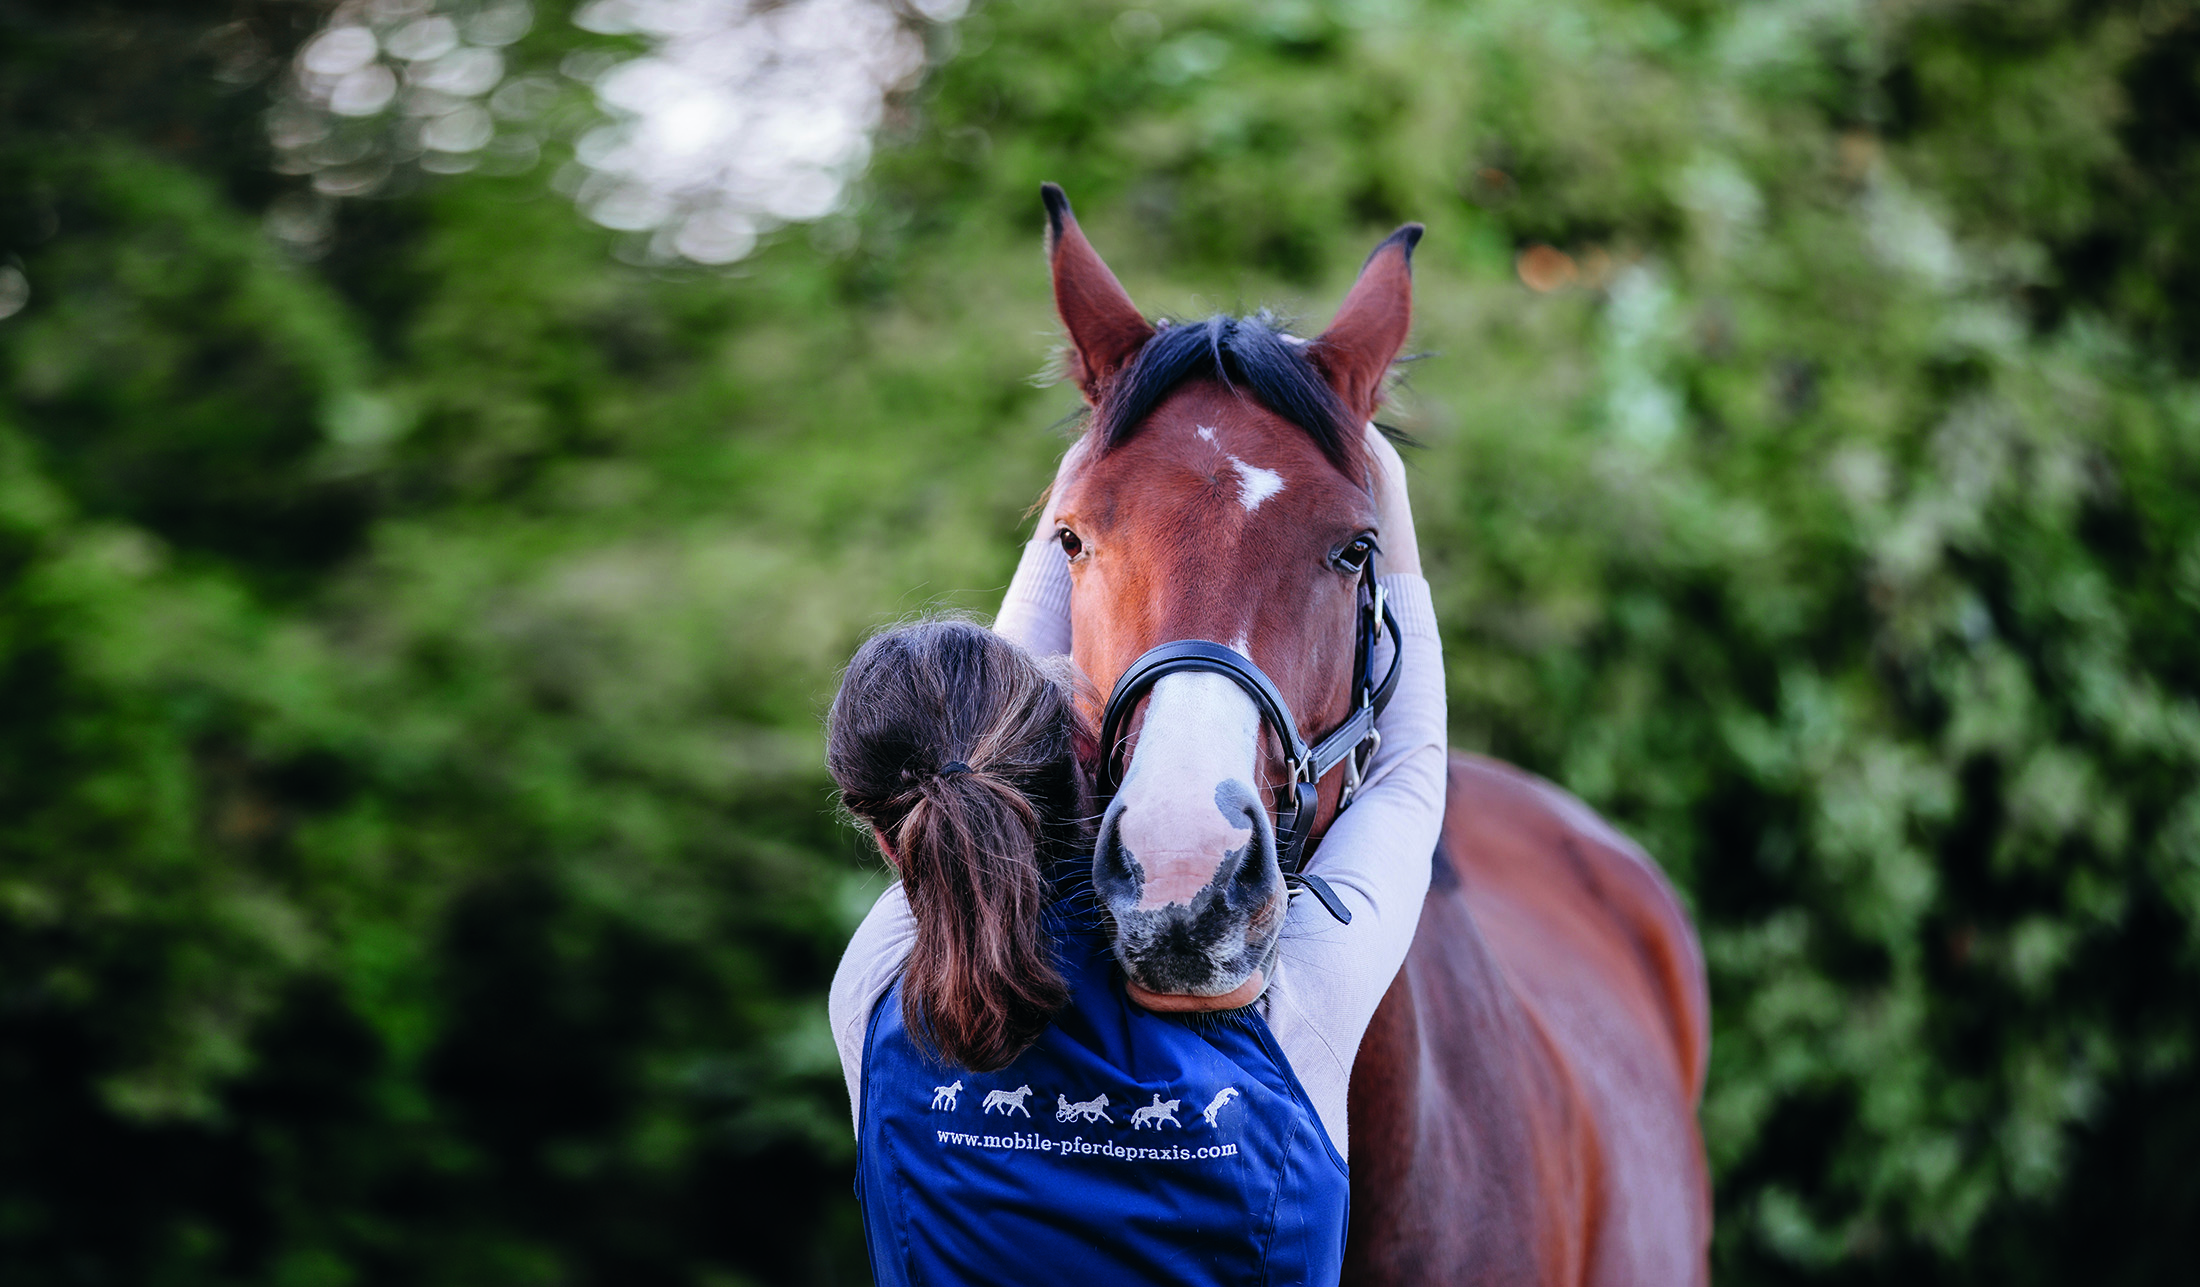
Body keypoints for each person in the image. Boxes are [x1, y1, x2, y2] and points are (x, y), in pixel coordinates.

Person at [826, 426, 1447, 1285]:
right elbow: (1411, 769)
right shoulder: (1295, 1019)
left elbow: (964, 772)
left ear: (891, 838)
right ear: (1059, 743)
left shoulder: (871, 995)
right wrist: (1388, 486)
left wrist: (1085, 494)